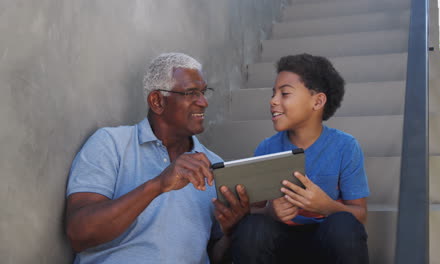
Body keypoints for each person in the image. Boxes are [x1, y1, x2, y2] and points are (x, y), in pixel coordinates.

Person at [65, 52, 249, 264]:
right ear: (157, 101)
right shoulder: (110, 143)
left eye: (204, 92)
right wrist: (158, 184)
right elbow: (79, 234)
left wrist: (231, 232)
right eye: (191, 93)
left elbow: (212, 254)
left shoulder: (214, 165)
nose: (204, 102)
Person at [231, 54, 370, 264]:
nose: (273, 101)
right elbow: (252, 208)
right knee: (252, 227)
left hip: (325, 243)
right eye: (273, 93)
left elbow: (359, 214)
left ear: (318, 101)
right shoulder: (267, 148)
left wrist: (325, 205)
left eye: (284, 93)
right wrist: (270, 212)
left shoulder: (345, 147)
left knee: (344, 225)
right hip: (280, 245)